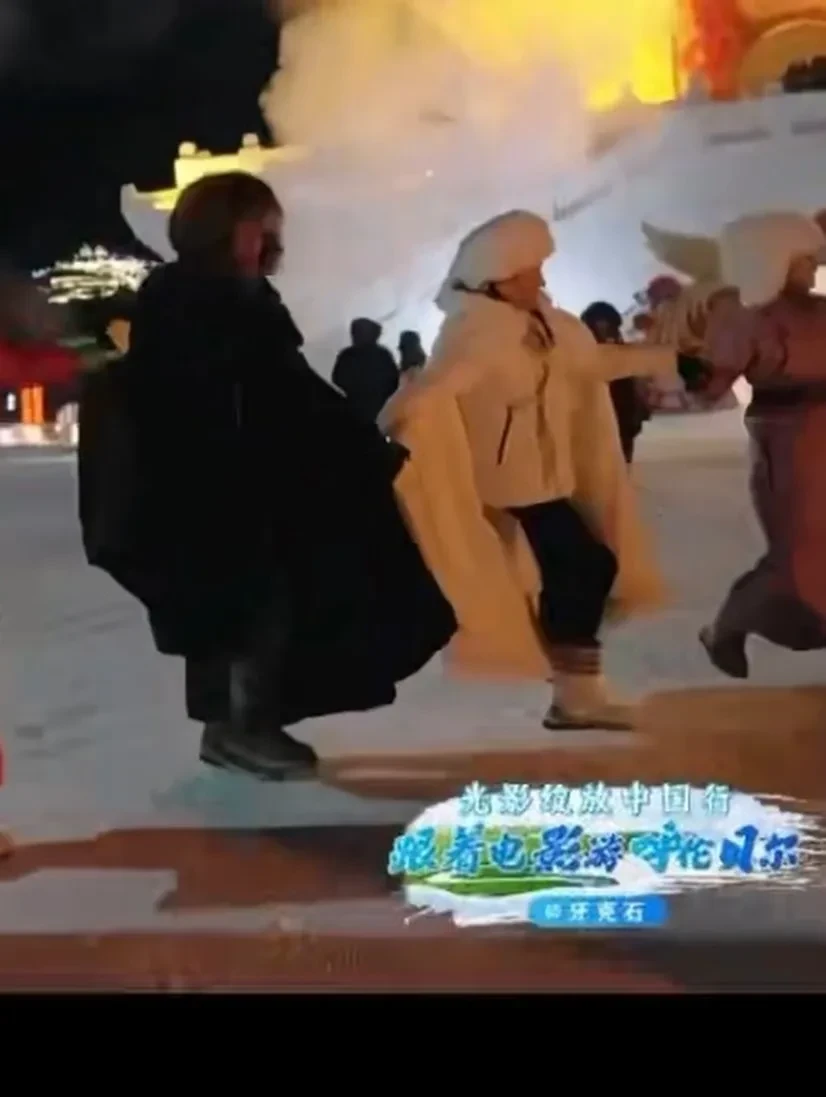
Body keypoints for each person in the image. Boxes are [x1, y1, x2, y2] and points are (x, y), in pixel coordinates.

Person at [78, 171, 455, 779]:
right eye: (265, 227)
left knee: (250, 606)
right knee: (248, 610)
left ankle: (238, 726)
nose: (274, 240)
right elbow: (254, 397)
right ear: (232, 230)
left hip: (242, 489)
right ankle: (240, 728)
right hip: (216, 494)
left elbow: (284, 391)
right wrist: (343, 443)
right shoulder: (201, 302)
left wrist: (348, 442)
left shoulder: (223, 298)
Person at [382, 210, 677, 730]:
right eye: (529, 271)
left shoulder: (547, 324)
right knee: (583, 565)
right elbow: (438, 388)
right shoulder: (476, 333)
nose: (540, 280)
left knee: (579, 568)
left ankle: (574, 685)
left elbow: (592, 364)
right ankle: (576, 690)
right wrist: (392, 421)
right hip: (507, 483)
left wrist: (666, 360)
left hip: (548, 476)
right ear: (496, 277)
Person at [675, 211, 826, 678]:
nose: (815, 266)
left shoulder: (820, 309)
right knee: (799, 551)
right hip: (789, 443)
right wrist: (693, 366)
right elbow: (710, 385)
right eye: (804, 259)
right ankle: (726, 626)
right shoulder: (741, 315)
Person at [581, 302, 651, 463]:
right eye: (598, 327)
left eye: (607, 327)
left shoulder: (621, 352)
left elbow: (632, 388)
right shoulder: (581, 352)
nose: (603, 333)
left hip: (620, 416)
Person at [332, 317, 399, 421]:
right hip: (381, 408)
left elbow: (337, 378)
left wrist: (354, 391)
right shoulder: (383, 354)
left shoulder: (347, 355)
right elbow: (394, 380)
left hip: (356, 408)